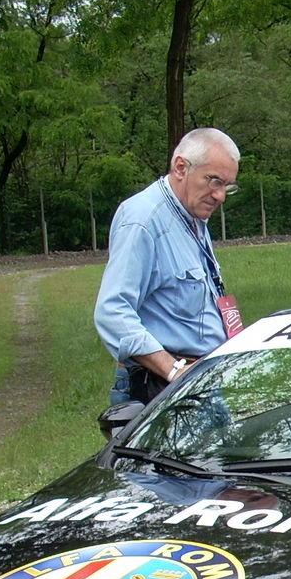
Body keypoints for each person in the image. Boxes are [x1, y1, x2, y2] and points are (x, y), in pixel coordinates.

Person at [95, 128, 242, 405]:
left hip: (200, 381)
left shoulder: (192, 216)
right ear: (180, 167)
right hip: (162, 388)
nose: (220, 195)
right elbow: (112, 312)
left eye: (227, 186)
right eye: (214, 182)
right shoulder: (143, 221)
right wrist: (174, 371)